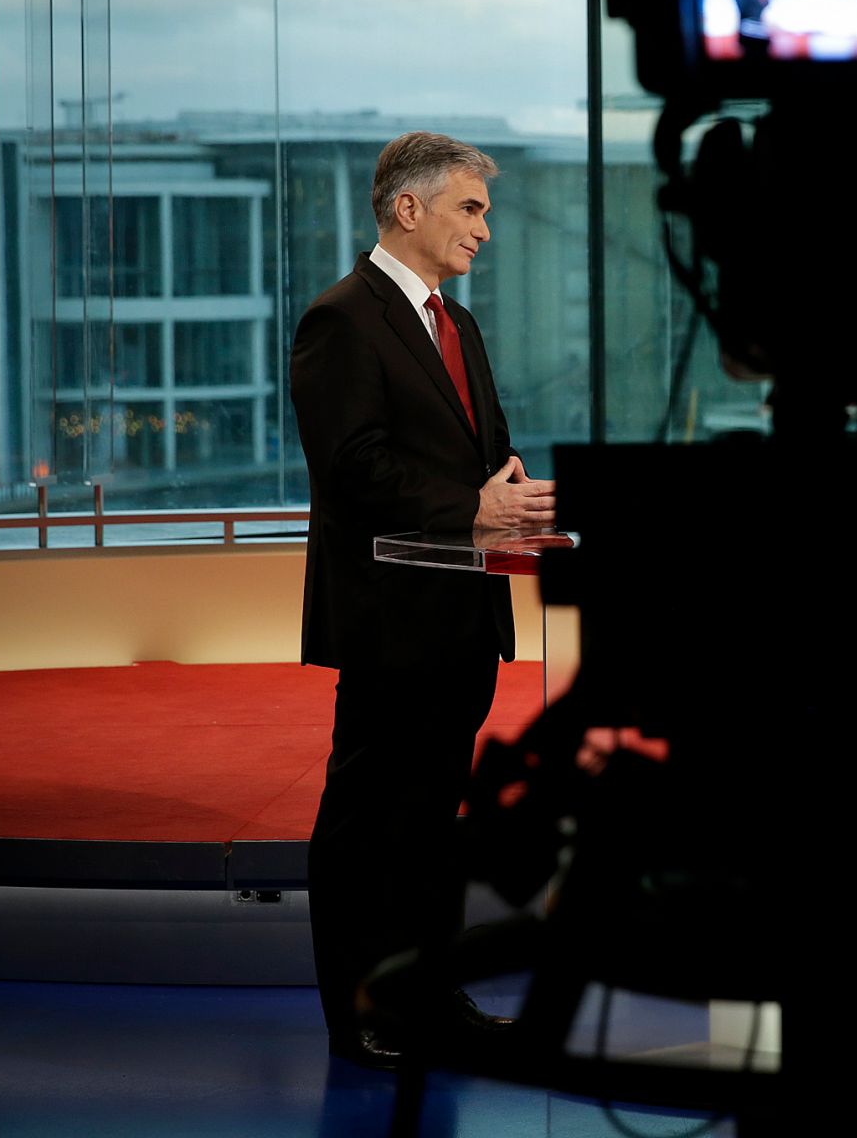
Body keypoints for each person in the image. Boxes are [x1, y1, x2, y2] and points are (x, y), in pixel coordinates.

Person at [290, 131, 557, 1070]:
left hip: (463, 617)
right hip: (389, 619)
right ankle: (363, 1012)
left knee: (432, 827)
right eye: (470, 208)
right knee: (369, 826)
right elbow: (351, 464)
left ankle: (430, 1000)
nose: (484, 229)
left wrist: (513, 494)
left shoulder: (459, 324)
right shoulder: (340, 319)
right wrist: (469, 506)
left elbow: (483, 452)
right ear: (409, 208)